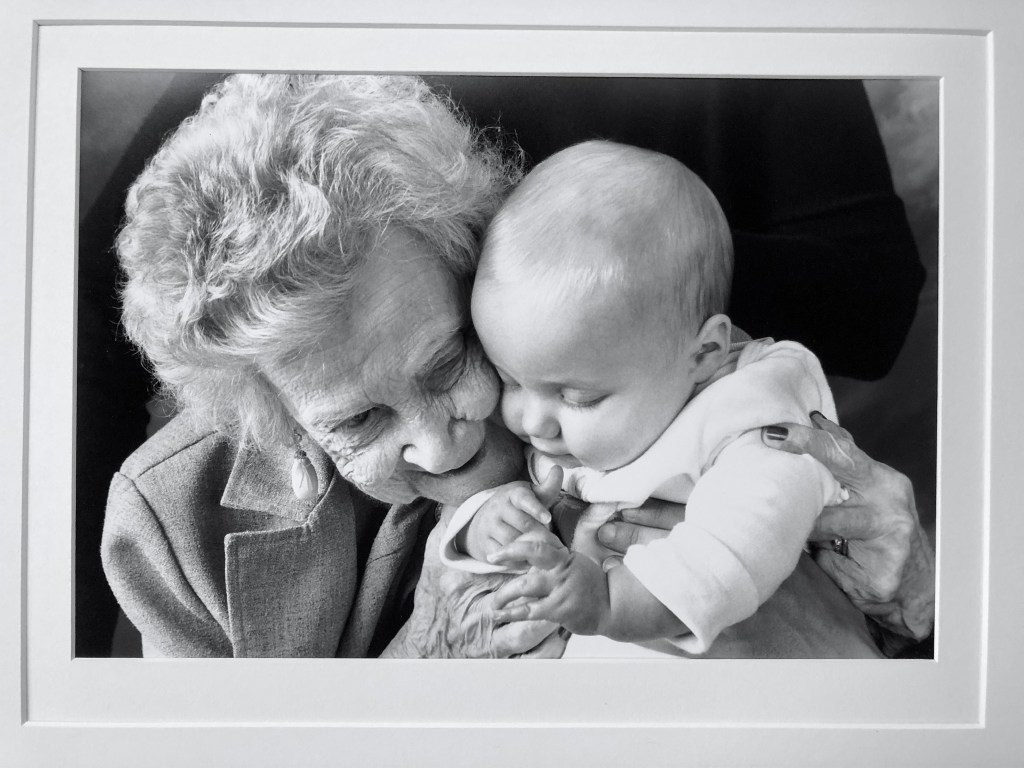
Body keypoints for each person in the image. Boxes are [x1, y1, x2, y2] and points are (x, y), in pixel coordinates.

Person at [100, 73, 931, 658]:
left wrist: (922, 601)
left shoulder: (648, 378)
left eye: (447, 361)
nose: (441, 445)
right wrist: (430, 659)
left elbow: (886, 661)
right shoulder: (171, 527)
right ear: (269, 415)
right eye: (357, 421)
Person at [438, 140, 850, 656]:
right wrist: (485, 524)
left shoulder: (752, 427)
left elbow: (736, 551)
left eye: (578, 398)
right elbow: (535, 506)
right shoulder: (590, 409)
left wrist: (608, 602)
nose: (532, 421)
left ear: (702, 355)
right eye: (512, 381)